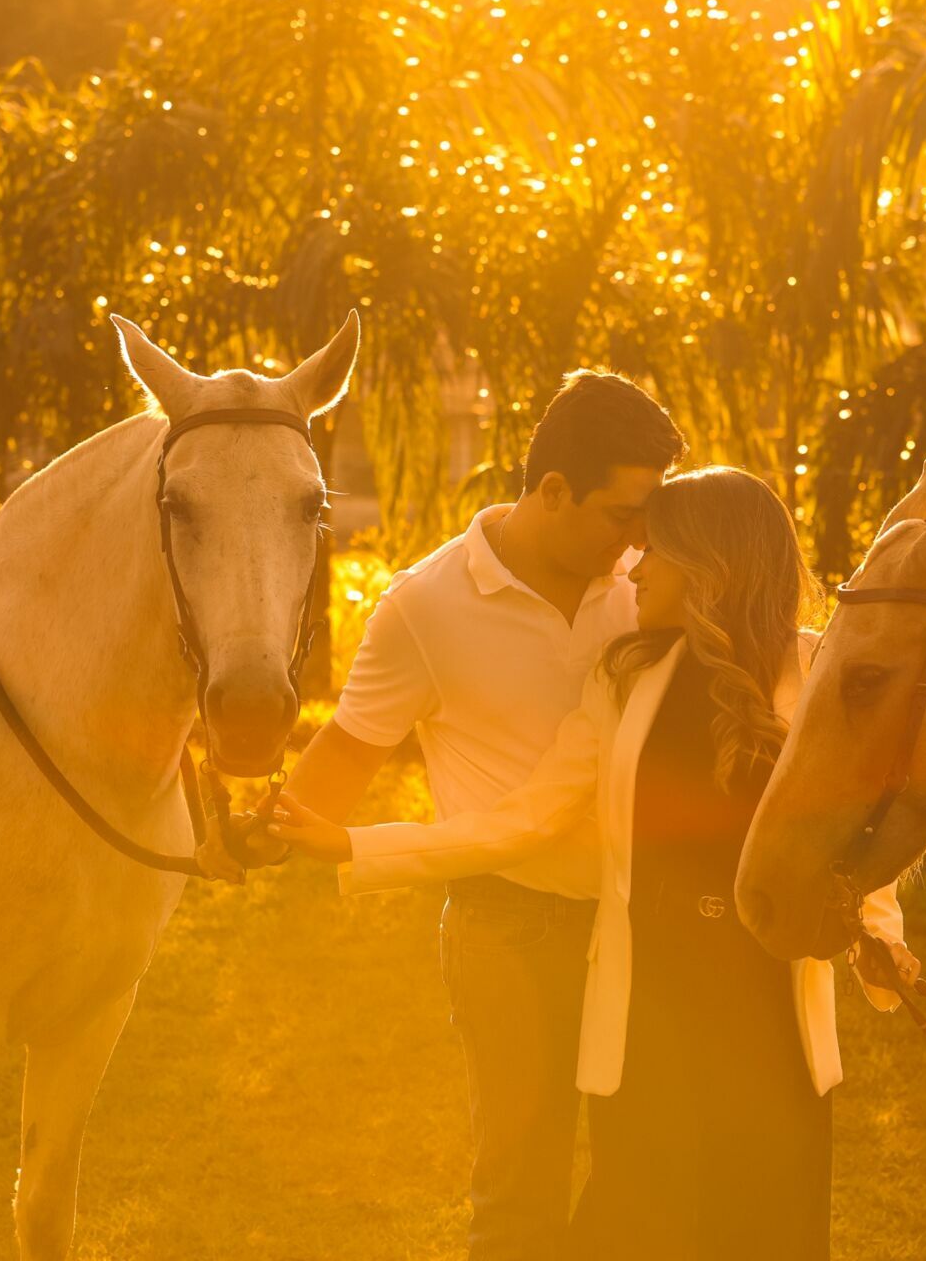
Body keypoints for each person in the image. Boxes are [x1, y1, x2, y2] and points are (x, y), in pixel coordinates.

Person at [272, 467, 915, 1259]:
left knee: (767, 1234)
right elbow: (525, 819)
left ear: (713, 568)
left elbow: (855, 826)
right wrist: (355, 844)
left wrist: (882, 937)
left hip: (771, 1023)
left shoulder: (818, 672)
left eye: (656, 555)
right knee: (639, 1230)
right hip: (649, 1021)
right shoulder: (626, 680)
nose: (633, 569)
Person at [273, 370, 685, 1260]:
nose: (640, 542)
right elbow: (353, 744)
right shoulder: (425, 607)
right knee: (521, 1199)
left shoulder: (643, 587)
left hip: (643, 923)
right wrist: (276, 833)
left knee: (646, 1182)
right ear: (552, 491)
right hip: (510, 934)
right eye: (625, 514)